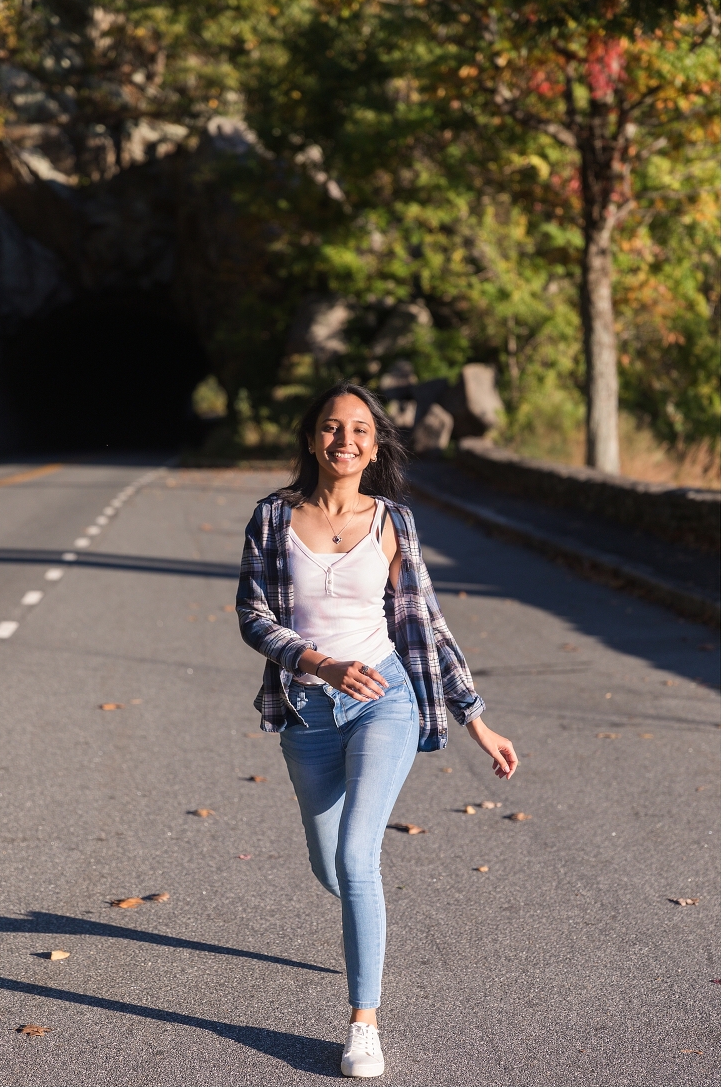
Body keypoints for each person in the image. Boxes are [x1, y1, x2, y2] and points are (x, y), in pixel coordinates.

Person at [236, 381, 518, 1078]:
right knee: (330, 864)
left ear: (375, 442)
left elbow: (425, 623)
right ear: (312, 438)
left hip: (385, 700)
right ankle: (366, 916)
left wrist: (475, 717)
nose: (345, 440)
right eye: (332, 428)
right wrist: (319, 663)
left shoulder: (393, 521)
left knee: (360, 856)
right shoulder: (273, 518)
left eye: (360, 429)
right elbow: (253, 614)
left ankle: (364, 1022)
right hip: (308, 710)